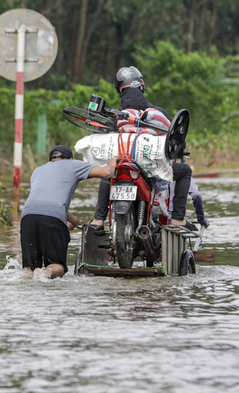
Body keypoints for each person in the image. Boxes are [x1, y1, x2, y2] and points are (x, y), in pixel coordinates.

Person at [89, 66, 194, 230]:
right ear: (142, 87)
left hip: (121, 165)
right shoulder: (158, 113)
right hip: (151, 169)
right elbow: (176, 140)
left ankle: (98, 219)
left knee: (108, 170)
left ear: (120, 90)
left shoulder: (115, 118)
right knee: (185, 170)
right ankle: (178, 219)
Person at [21, 145, 116, 278]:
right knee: (57, 267)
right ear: (70, 158)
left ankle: (31, 274)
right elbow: (107, 173)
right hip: (52, 218)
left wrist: (73, 221)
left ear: (51, 159)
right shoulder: (72, 164)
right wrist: (112, 161)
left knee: (29, 269)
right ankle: (46, 272)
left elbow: (45, 203)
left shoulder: (38, 171)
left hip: (27, 217)